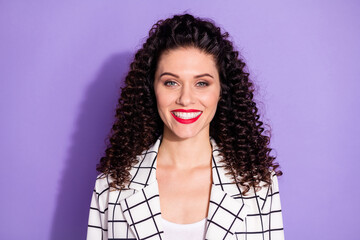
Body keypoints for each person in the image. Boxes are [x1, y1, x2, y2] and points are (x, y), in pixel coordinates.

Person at [87, 13, 284, 240]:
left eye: (202, 83)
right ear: (152, 89)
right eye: (171, 82)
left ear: (222, 91)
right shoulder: (111, 186)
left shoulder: (259, 184)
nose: (186, 99)